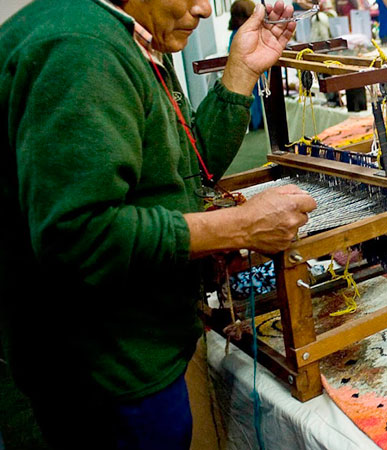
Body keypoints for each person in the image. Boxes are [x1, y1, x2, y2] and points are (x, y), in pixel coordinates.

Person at [0, 0, 317, 448]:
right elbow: (78, 234)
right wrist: (237, 228)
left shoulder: (125, 37)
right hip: (106, 373)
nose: (205, 9)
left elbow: (182, 169)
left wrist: (242, 70)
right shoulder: (81, 49)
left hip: (131, 350)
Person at [229, 0, 264, 130]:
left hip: (254, 70)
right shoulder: (241, 34)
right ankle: (256, 122)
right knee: (255, 95)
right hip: (251, 71)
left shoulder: (237, 34)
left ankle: (257, 122)